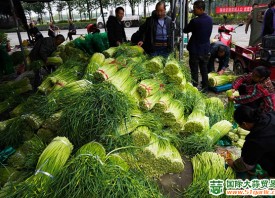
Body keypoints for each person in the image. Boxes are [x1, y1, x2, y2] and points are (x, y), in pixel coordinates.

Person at [226, 105, 275, 178]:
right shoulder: (270, 115)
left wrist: (233, 164)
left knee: (262, 158)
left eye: (240, 125)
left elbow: (246, 163)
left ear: (244, 124)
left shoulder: (255, 140)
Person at [183, 0, 213, 92]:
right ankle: (205, 87)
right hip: (205, 49)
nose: (193, 11)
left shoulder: (195, 21)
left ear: (200, 9)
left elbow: (185, 30)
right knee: (204, 69)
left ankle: (194, 87)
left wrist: (191, 20)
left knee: (194, 70)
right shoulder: (210, 19)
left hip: (195, 50)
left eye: (195, 9)